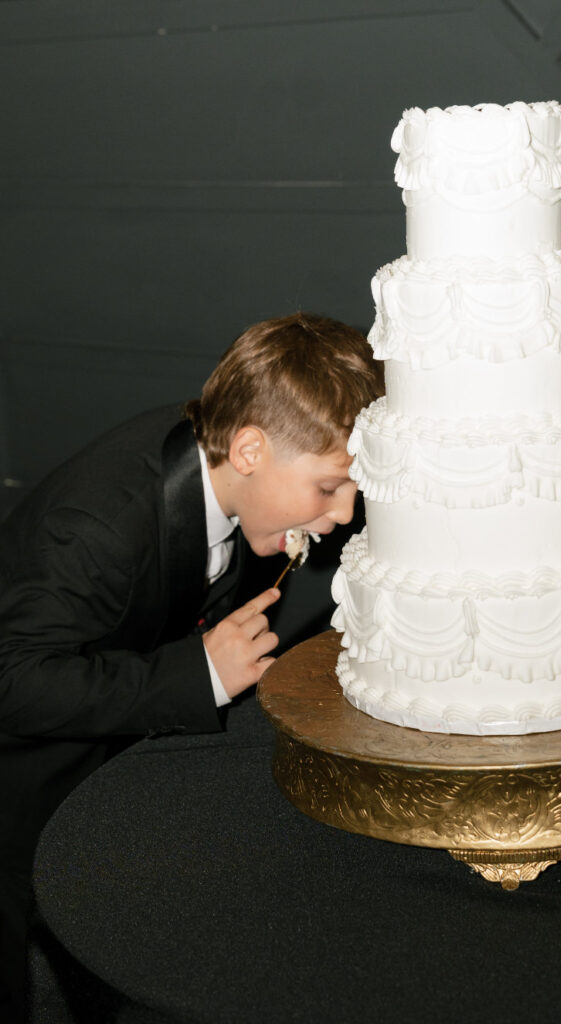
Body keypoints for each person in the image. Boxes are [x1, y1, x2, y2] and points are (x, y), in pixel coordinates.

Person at [0, 311, 384, 1020]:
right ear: (249, 449)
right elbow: (11, 682)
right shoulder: (97, 527)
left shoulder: (228, 479)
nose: (342, 514)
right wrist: (198, 675)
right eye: (330, 487)